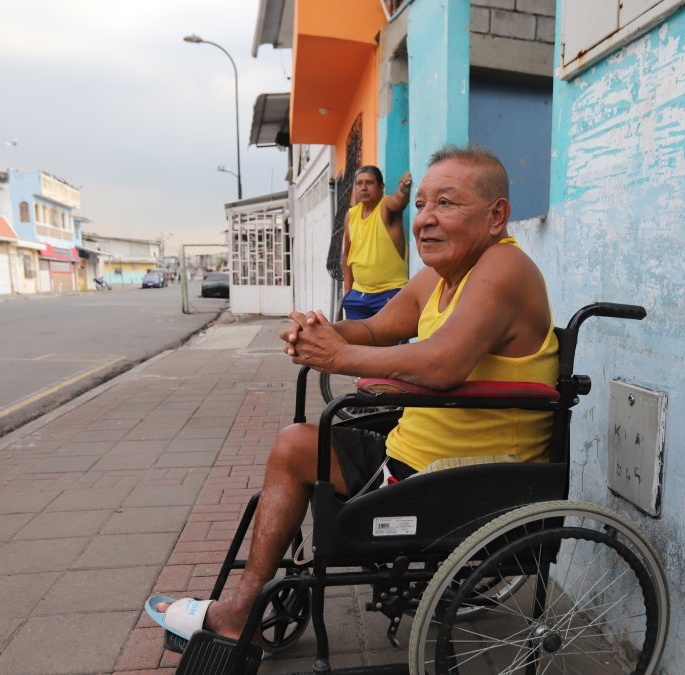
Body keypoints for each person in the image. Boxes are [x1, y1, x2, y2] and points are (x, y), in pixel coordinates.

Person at [147, 147, 559, 650]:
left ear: (496, 216)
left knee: (297, 448)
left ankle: (238, 611)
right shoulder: (440, 277)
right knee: (296, 445)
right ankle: (245, 603)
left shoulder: (504, 267)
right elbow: (377, 328)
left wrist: (337, 358)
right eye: (422, 204)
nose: (425, 219)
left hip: (470, 476)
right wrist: (320, 331)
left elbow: (442, 364)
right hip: (420, 458)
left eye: (446, 204)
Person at [340, 165, 411, 320]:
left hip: (389, 294)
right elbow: (347, 255)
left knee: (390, 344)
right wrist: (347, 291)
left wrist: (404, 189)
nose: (364, 188)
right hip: (358, 296)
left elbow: (399, 201)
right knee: (355, 343)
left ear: (381, 187)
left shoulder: (386, 207)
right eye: (359, 183)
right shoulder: (351, 215)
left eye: (369, 183)